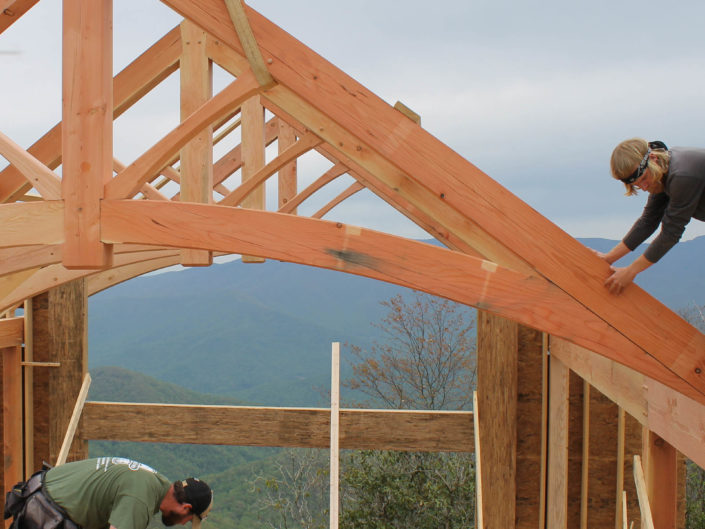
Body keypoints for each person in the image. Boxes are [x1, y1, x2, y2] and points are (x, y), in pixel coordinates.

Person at [597, 138, 705, 294]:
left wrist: (630, 271)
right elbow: (648, 221)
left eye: (644, 179)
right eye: (637, 185)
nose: (644, 187)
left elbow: (670, 234)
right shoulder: (662, 171)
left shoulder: (682, 175)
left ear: (653, 159)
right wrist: (608, 258)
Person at [4, 457, 213, 529]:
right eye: (188, 520)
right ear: (186, 508)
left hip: (39, 495)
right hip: (47, 515)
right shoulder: (141, 499)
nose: (184, 524)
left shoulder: (153, 481)